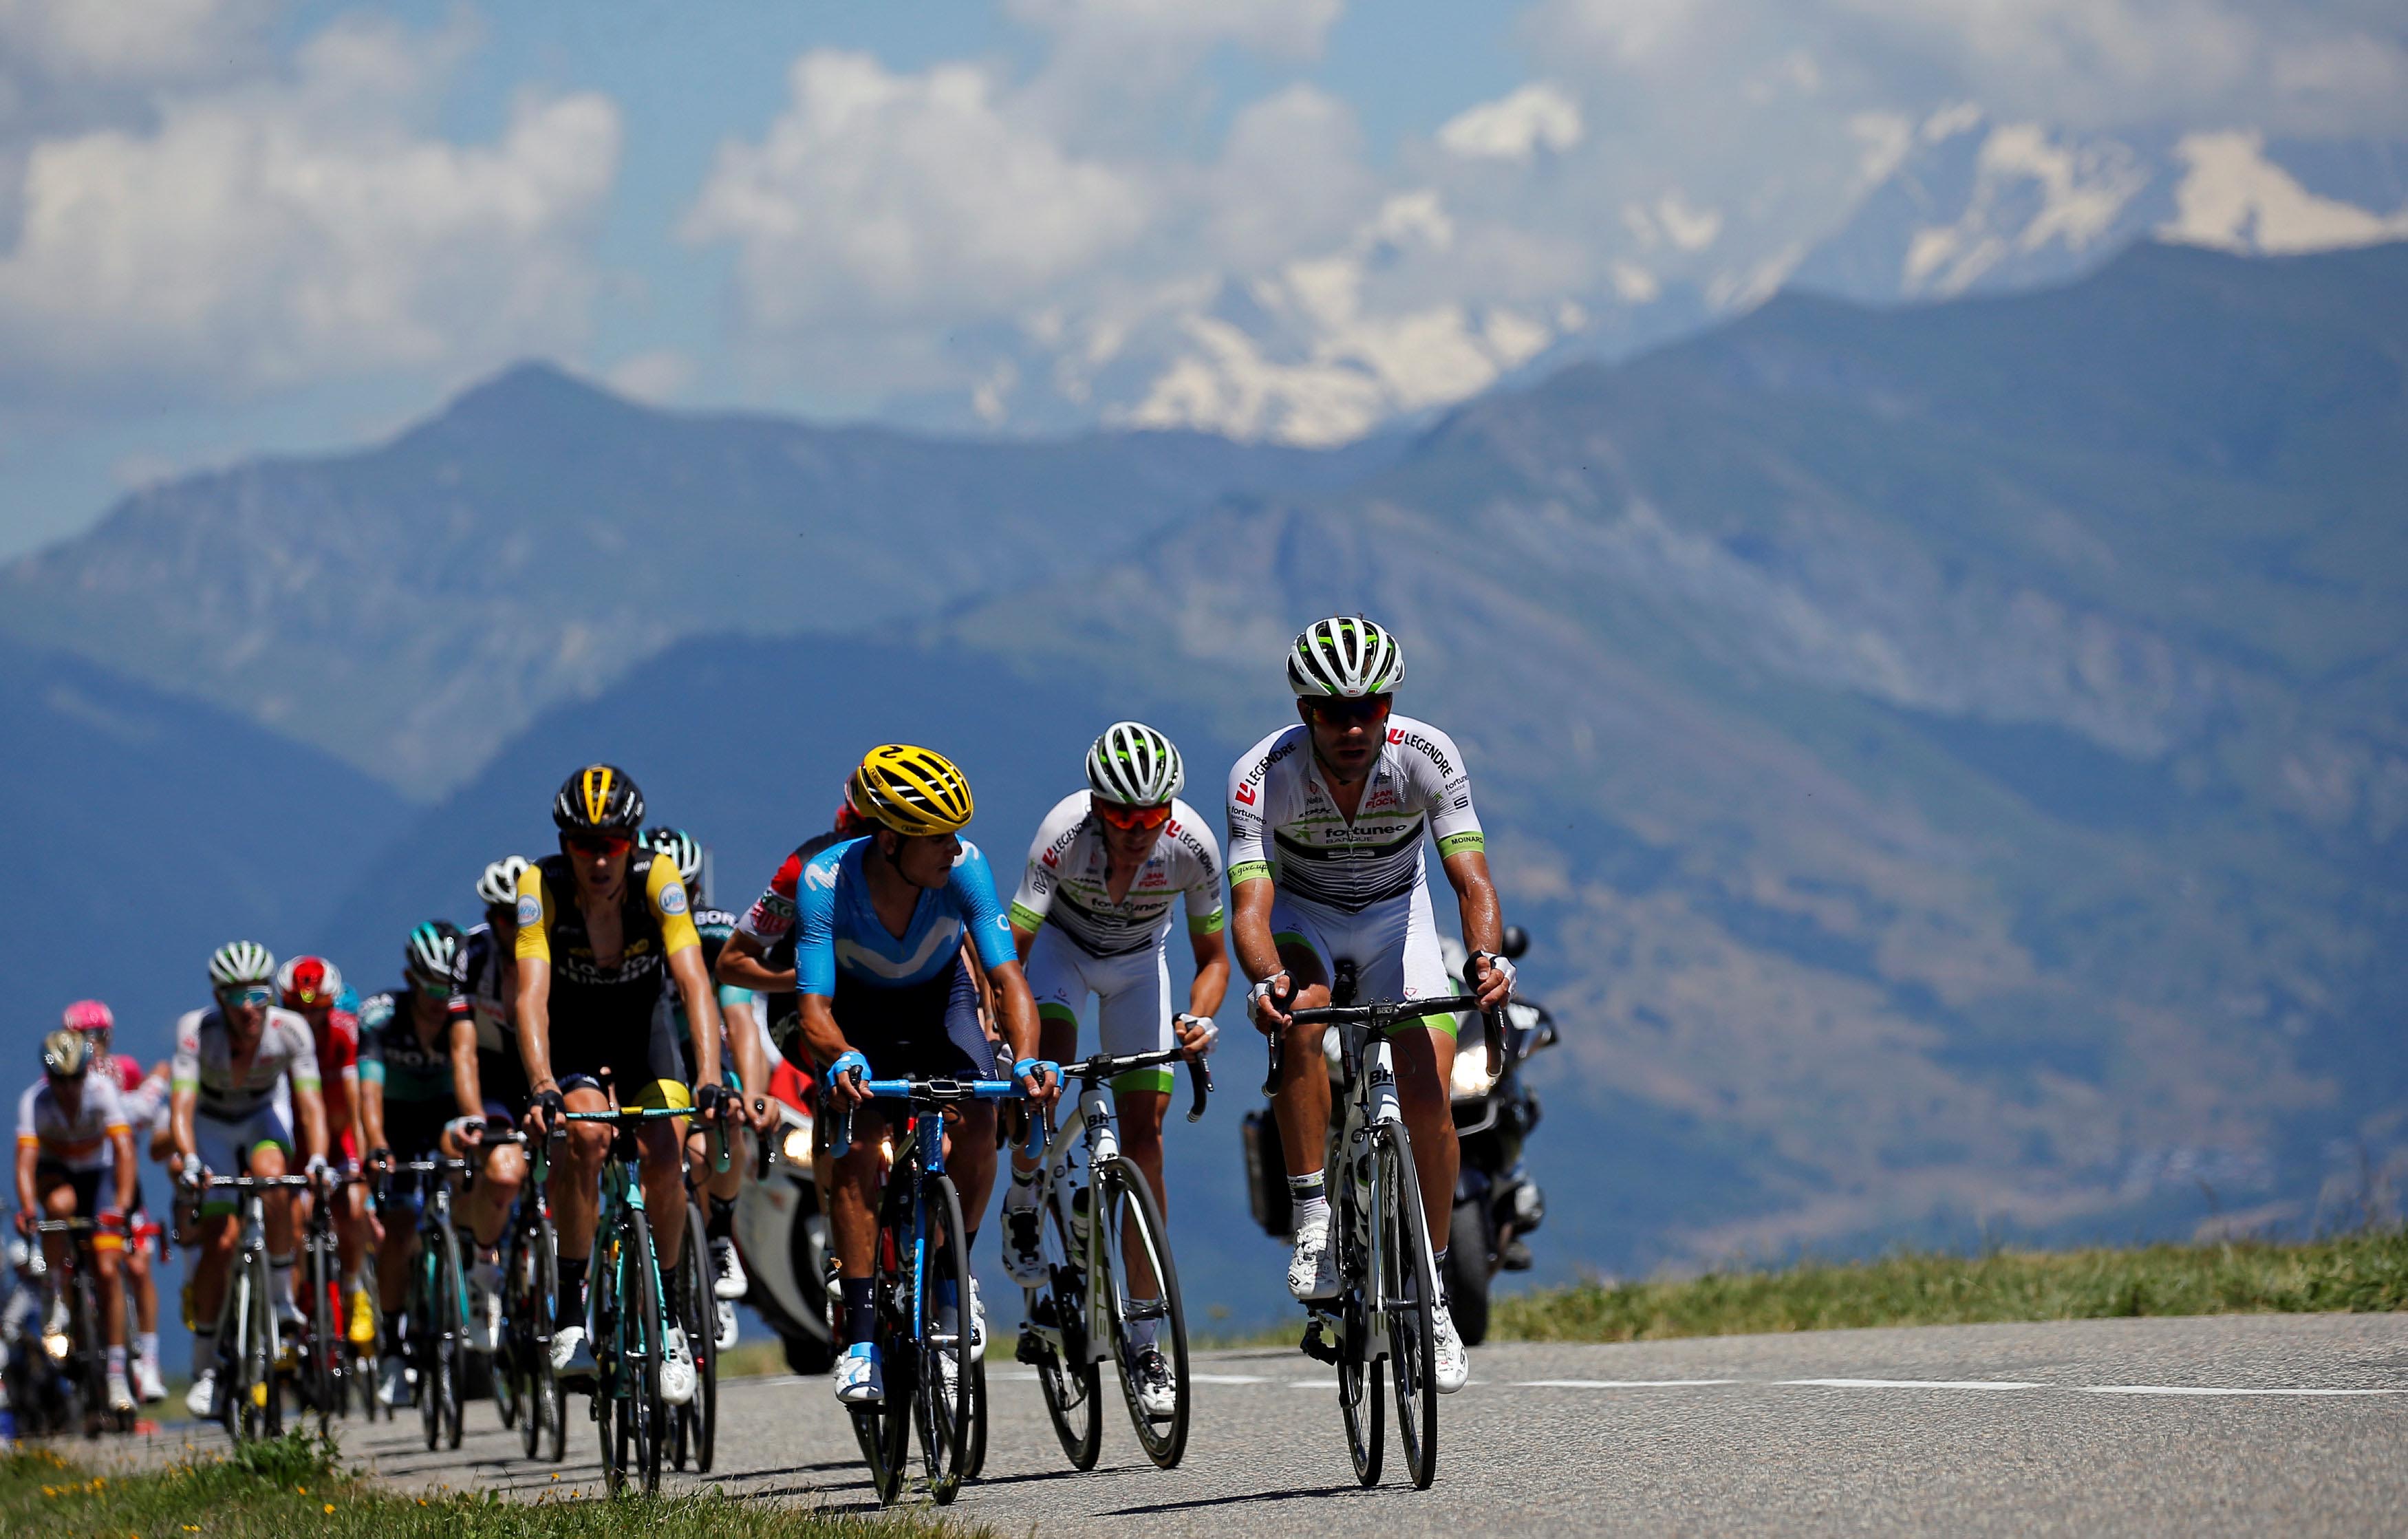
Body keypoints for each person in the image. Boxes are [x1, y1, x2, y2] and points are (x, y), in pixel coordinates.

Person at [1226, 616, 1514, 1395]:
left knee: (1429, 1093)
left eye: (1369, 707)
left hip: (1399, 918)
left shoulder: (1426, 754)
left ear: (1388, 705)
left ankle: (1433, 1290)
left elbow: (1471, 879)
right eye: (1331, 710)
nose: (1352, 726)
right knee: (1300, 1016)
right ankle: (1313, 1216)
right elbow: (1249, 906)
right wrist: (1264, 978)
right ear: (1303, 710)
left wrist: (1486, 957)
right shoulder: (1261, 773)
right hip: (1305, 919)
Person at [737, 745, 1055, 1406]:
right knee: (857, 1143)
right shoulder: (825, 878)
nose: (952, 848)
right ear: (889, 841)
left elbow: (1006, 978)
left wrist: (1025, 1057)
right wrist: (842, 1056)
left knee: (981, 1115)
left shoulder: (965, 868)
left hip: (938, 1005)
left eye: (956, 832)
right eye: (936, 836)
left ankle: (952, 1272)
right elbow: (815, 1008)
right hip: (855, 1013)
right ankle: (858, 1340)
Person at [1001, 721, 1227, 1417]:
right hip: (1060, 956)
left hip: (1137, 967)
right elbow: (1013, 944)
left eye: (1149, 816)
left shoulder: (1191, 845)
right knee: (1046, 1070)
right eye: (1122, 816)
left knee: (1145, 1137)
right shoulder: (1062, 833)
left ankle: (1147, 1339)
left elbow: (1214, 958)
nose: (1135, 829)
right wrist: (1012, 1037)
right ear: (1098, 808)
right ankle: (1022, 1191)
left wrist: (1196, 1016)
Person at [514, 764, 730, 1408]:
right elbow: (530, 994)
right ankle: (572, 1313)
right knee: (582, 1140)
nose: (600, 858)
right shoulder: (540, 885)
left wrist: (712, 1077)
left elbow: (694, 981)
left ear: (632, 842)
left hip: (644, 1033)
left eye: (612, 844)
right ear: (565, 845)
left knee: (666, 1154)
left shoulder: (657, 878)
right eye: (585, 844)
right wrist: (542, 1083)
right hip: (576, 1037)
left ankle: (667, 1323)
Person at [169, 940, 329, 1419]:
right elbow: (181, 1106)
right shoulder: (196, 1032)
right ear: (219, 999)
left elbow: (310, 1103)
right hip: (212, 1126)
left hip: (261, 1117)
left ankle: (281, 1300)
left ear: (271, 996)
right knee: (219, 1243)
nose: (248, 1008)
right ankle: (205, 1368)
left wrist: (319, 1155)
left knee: (274, 1178)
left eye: (257, 995)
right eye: (235, 997)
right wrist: (191, 1157)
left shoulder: (291, 1031)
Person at [643, 826, 774, 1353]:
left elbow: (741, 1022)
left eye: (690, 892)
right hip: (649, 1049)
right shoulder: (626, 935)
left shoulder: (718, 933)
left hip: (704, 1049)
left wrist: (753, 1093)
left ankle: (718, 1234)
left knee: (728, 1122)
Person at [358, 922, 487, 1405]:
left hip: (443, 1113)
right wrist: (375, 1144)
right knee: (400, 1221)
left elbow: (467, 1068)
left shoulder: (460, 1014)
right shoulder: (381, 1018)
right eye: (431, 988)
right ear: (410, 980)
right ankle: (392, 1343)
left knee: (468, 1163)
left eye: (448, 988)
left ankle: (473, 1262)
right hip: (394, 1119)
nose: (440, 999)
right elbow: (368, 1092)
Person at [13, 1030, 138, 1412]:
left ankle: (117, 1374)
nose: (69, 1089)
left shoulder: (102, 1091)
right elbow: (25, 1164)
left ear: (87, 1074)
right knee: (59, 1206)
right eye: (60, 1081)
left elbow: (124, 1151)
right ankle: (55, 1287)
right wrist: (28, 1209)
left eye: (76, 1078)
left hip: (98, 1177)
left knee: (106, 1266)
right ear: (49, 1079)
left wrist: (120, 1206)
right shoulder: (35, 1102)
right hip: (58, 1175)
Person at [61, 1000, 168, 1402]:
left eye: (100, 1037)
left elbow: (142, 1120)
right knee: (89, 1264)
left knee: (139, 1266)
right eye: (85, 1038)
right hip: (80, 1178)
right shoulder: (63, 1077)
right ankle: (69, 1311)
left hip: (121, 1181)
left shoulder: (124, 1070)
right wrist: (159, 1084)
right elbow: (138, 1108)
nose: (94, 1046)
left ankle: (149, 1362)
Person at [448, 859, 533, 1354]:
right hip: (494, 1069)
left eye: (524, 915)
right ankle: (485, 1268)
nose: (516, 926)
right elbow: (461, 1049)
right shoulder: (472, 954)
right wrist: (473, 1115)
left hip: (548, 1063)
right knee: (502, 1174)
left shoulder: (559, 943)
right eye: (505, 917)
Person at [272, 957, 376, 1348]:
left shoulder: (345, 1033)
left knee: (350, 1209)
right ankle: (292, 1308)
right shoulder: (276, 1037)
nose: (309, 1021)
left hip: (337, 1141)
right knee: (292, 1220)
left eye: (318, 1013)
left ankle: (354, 1291)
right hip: (293, 1144)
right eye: (299, 1012)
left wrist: (363, 1164)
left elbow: (356, 1105)